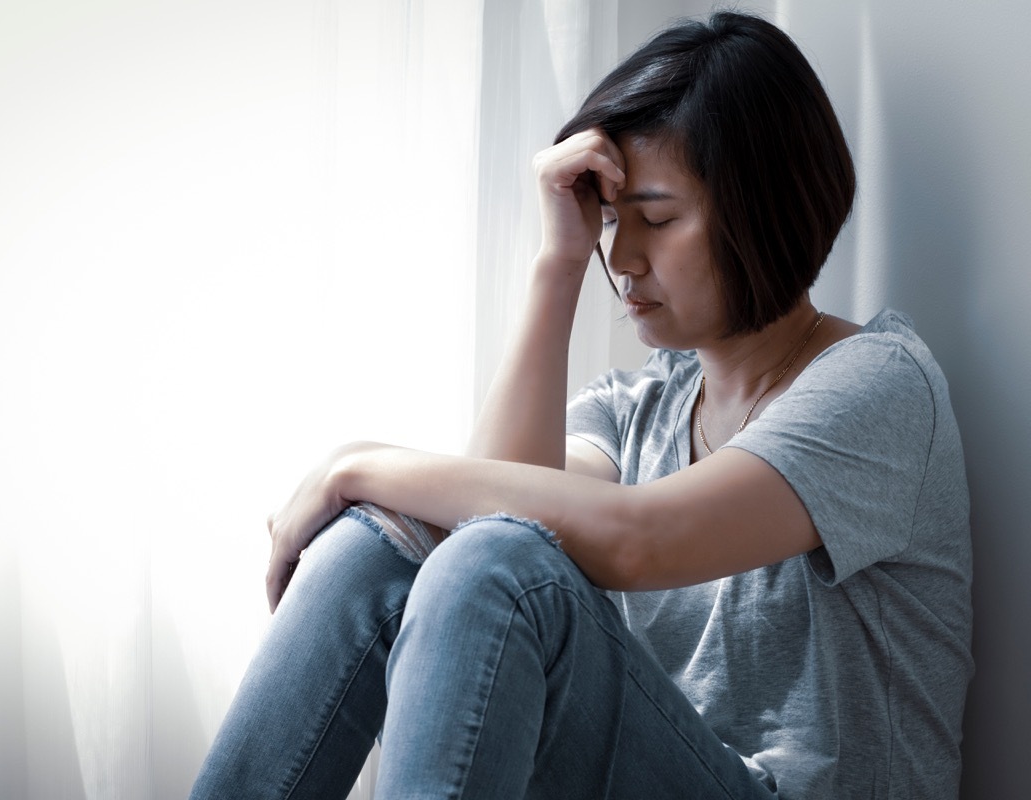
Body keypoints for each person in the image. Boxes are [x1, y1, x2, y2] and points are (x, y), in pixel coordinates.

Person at [190, 10, 972, 799]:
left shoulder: (880, 384)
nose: (622, 258)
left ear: (763, 206)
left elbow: (641, 541)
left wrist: (349, 466)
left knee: (493, 561)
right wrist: (559, 263)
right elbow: (474, 524)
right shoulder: (640, 406)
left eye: (656, 221)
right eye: (608, 221)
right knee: (380, 548)